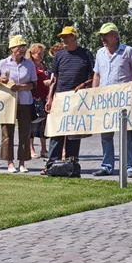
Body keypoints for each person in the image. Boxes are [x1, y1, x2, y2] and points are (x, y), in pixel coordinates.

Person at [44, 26, 94, 174]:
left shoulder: (85, 54)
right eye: (62, 37)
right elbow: (54, 78)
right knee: (57, 133)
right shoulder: (59, 55)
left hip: (77, 99)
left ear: (74, 37)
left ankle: (72, 164)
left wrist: (84, 85)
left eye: (66, 36)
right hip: (60, 98)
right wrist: (50, 98)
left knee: (73, 134)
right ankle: (52, 165)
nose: (63, 39)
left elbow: (93, 75)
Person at [91, 23, 132, 177]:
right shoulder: (100, 53)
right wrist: (94, 93)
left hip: (124, 99)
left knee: (126, 135)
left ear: (115, 35)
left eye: (106, 35)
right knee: (105, 135)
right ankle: (107, 166)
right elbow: (97, 74)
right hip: (105, 100)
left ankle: (130, 166)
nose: (103, 38)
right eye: (101, 35)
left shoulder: (127, 51)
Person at [0, 35, 38, 173]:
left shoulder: (29, 64)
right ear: (12, 49)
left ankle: (22, 162)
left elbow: (34, 84)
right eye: (18, 47)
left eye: (23, 47)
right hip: (8, 102)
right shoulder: (4, 63)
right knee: (7, 132)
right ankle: (10, 162)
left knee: (25, 133)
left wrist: (21, 87)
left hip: (25, 102)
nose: (21, 49)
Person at [25, 43, 51, 159]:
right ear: (32, 54)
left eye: (42, 54)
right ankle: (31, 148)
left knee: (43, 124)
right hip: (34, 97)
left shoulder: (43, 65)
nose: (41, 56)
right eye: (38, 54)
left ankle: (44, 148)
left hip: (45, 97)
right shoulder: (30, 66)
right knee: (32, 124)